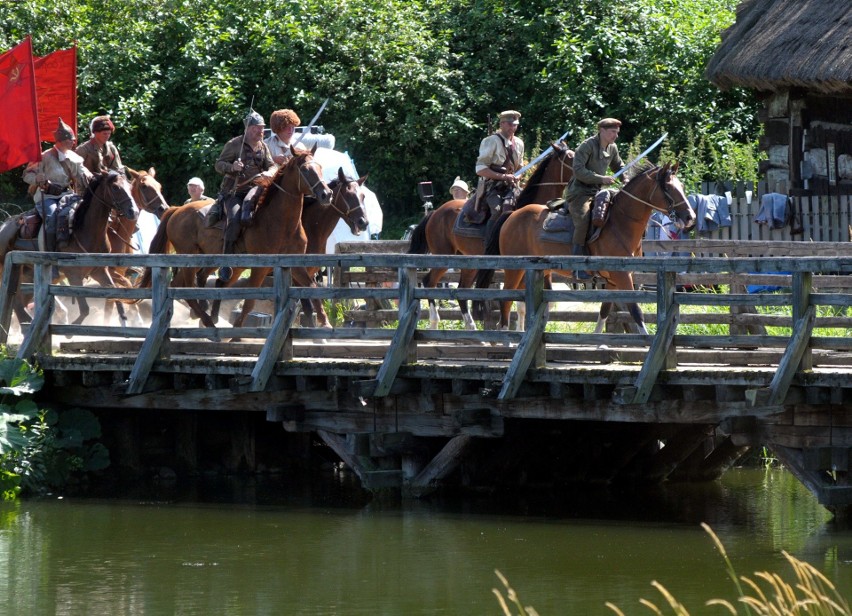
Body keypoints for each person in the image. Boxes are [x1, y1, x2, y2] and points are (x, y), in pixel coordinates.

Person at [206, 110, 276, 278]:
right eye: (258, 128)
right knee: (236, 217)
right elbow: (219, 164)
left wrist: (270, 173)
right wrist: (232, 168)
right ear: (249, 129)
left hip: (256, 189)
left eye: (262, 128)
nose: (261, 132)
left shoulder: (263, 146)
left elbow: (272, 165)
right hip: (234, 192)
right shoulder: (234, 144)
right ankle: (226, 261)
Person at [562, 117, 625, 278]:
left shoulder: (613, 148)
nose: (615, 136)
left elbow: (619, 165)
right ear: (602, 131)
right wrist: (601, 179)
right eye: (612, 132)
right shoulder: (587, 146)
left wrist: (626, 178)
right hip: (579, 192)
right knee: (583, 220)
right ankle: (576, 265)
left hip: (598, 191)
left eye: (617, 132)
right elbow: (578, 171)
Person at [23, 118, 93, 251]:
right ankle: (50, 252)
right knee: (52, 216)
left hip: (68, 195)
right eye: (70, 139)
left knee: (85, 211)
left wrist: (90, 176)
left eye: (73, 139)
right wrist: (38, 179)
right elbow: (27, 175)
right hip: (48, 196)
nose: (73, 142)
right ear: (60, 141)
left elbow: (83, 173)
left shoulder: (75, 157)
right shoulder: (44, 157)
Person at [468, 110, 524, 224]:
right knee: (497, 211)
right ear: (502, 124)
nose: (512, 127)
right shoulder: (491, 141)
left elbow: (520, 168)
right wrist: (504, 177)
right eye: (509, 124)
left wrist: (518, 176)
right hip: (492, 187)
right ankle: (490, 241)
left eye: (515, 125)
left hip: (512, 187)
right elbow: (480, 169)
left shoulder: (519, 143)